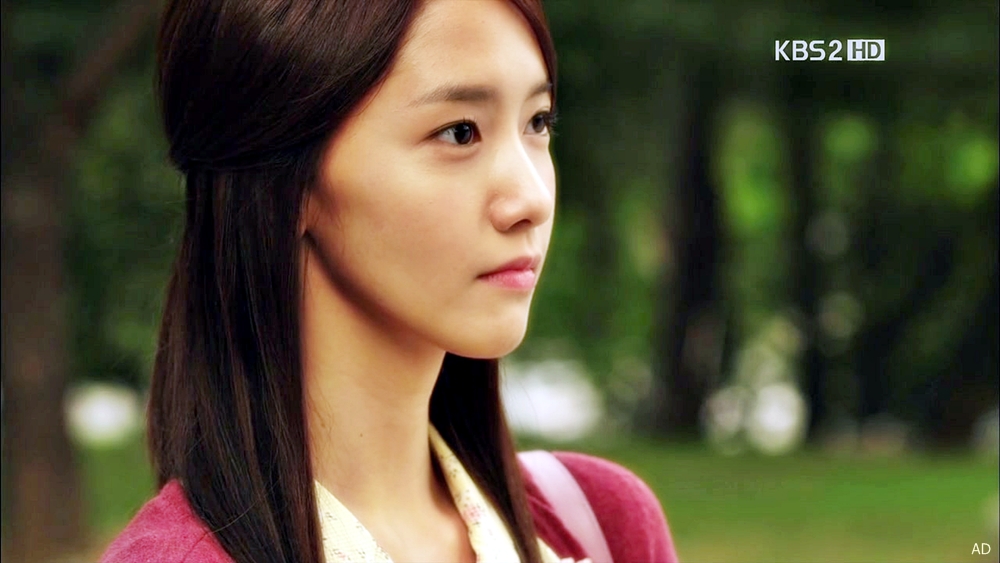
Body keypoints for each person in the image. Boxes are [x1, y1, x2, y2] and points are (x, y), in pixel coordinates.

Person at [101, 0, 679, 561]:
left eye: (538, 122)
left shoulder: (598, 526)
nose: (531, 198)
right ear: (287, 181)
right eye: (460, 133)